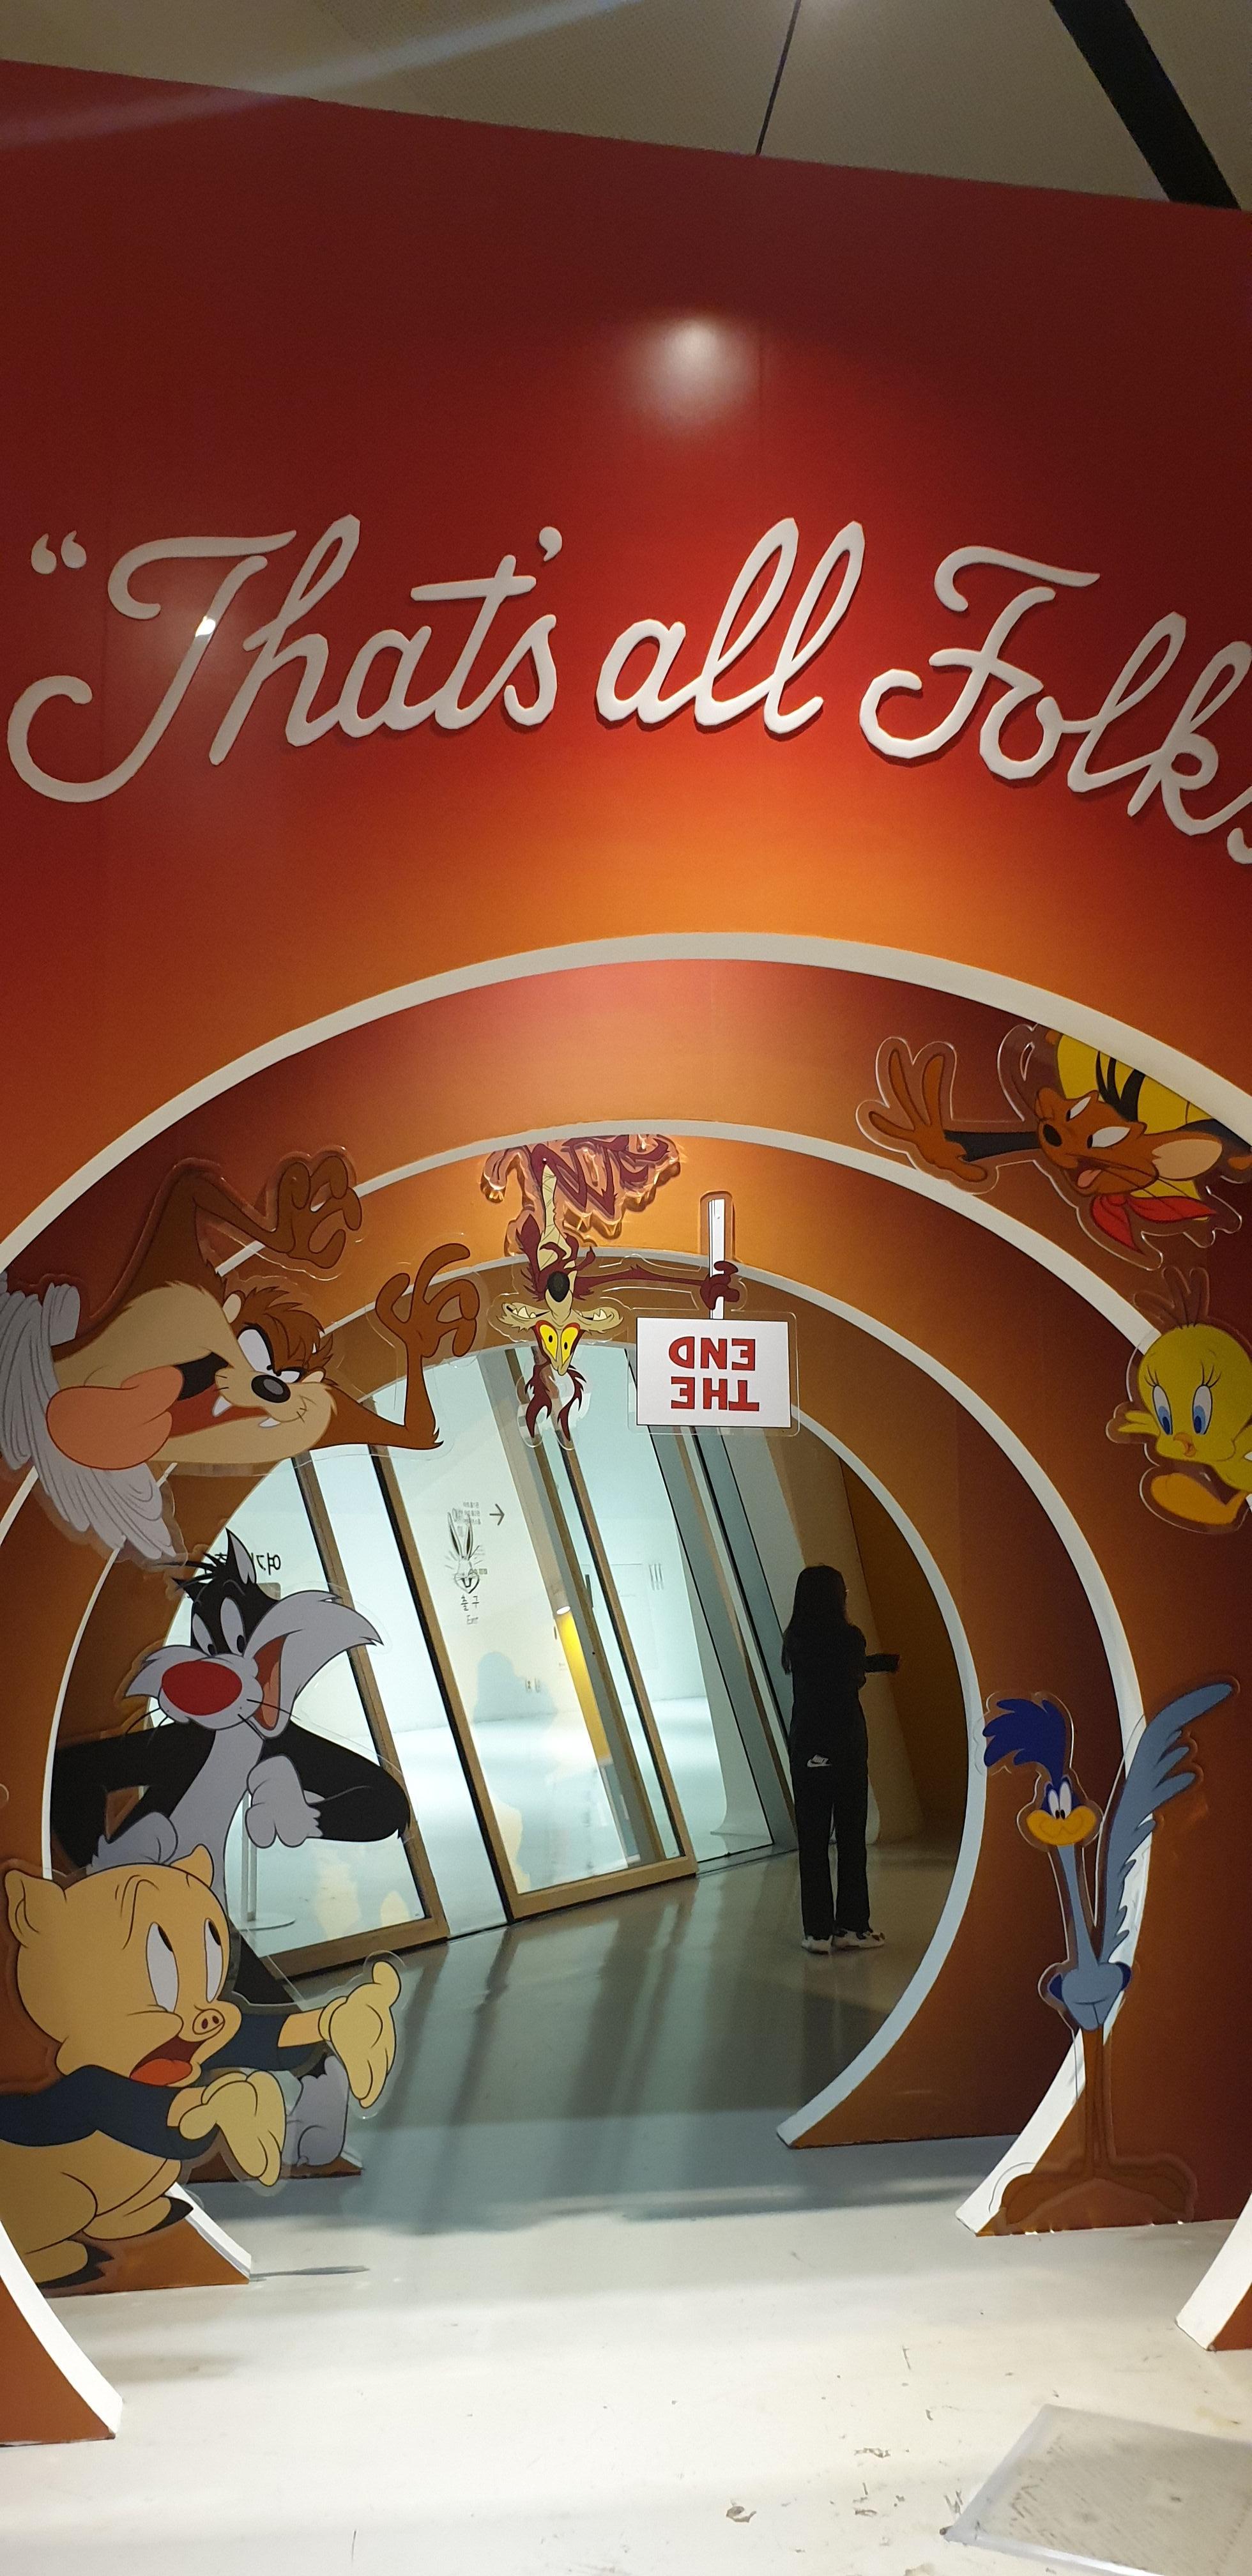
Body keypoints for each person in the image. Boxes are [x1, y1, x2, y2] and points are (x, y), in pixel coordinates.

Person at [781, 1563, 899, 1955]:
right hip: (846, 1749)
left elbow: (825, 1673)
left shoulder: (795, 1639)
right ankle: (852, 1927)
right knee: (851, 1842)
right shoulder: (850, 1638)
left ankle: (816, 1933)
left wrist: (873, 1662)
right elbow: (849, 1677)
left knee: (813, 1844)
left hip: (807, 1749)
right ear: (837, 1598)